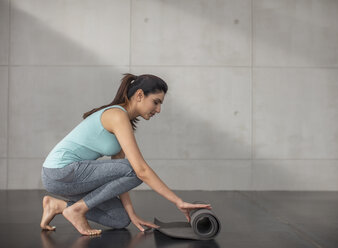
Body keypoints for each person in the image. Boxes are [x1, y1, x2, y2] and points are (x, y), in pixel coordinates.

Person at [40, 73, 212, 236]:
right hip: (60, 172)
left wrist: (132, 214)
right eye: (156, 102)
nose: (158, 110)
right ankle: (77, 210)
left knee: (120, 219)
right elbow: (140, 170)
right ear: (139, 95)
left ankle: (58, 206)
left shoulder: (124, 122)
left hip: (69, 179)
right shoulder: (116, 115)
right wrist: (178, 201)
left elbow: (120, 178)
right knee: (135, 169)